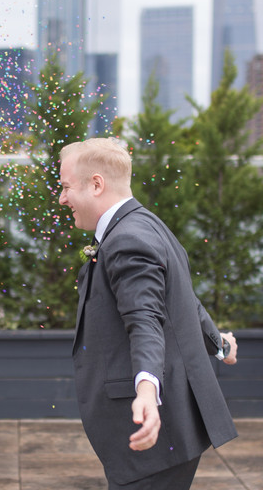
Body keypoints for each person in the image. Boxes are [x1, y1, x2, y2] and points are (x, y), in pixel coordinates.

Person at [58, 138, 238, 490]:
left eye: (65, 187)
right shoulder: (148, 224)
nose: (62, 198)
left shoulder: (127, 238)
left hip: (154, 436)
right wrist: (220, 346)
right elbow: (182, 299)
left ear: (96, 184)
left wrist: (146, 392)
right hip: (173, 432)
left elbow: (145, 320)